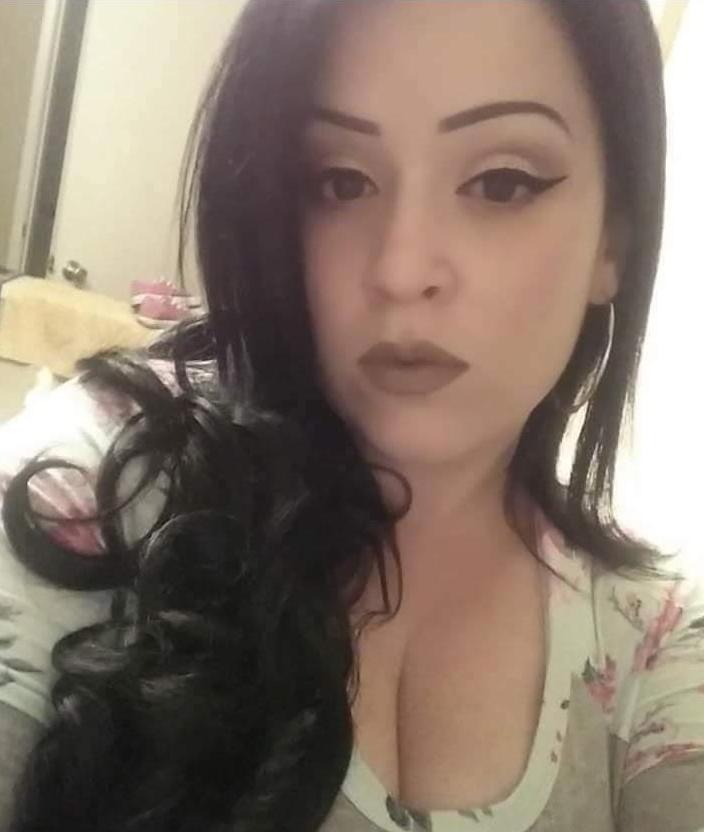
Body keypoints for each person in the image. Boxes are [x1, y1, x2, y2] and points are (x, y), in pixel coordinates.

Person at [1, 0, 703, 829]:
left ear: (613, 238)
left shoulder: (655, 643)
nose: (401, 269)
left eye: (501, 182)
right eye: (340, 182)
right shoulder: (110, 478)